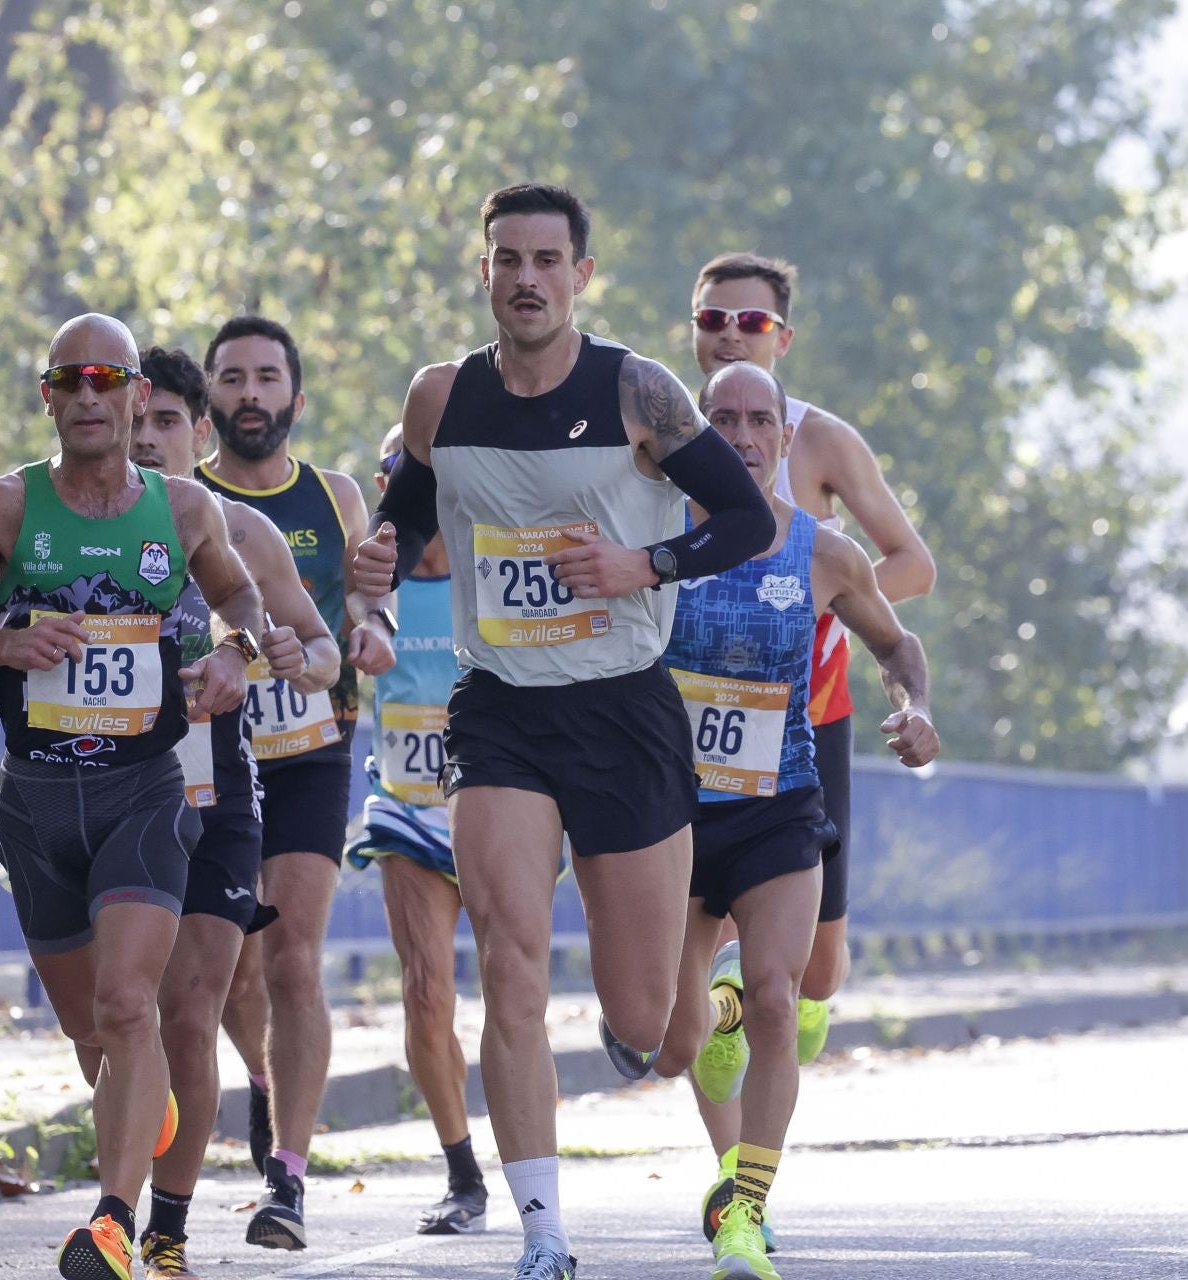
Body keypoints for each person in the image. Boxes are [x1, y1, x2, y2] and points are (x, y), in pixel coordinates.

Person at [353, 183, 776, 1280]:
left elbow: (748, 517)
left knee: (652, 1034)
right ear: (483, 271)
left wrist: (647, 562)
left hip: (625, 707)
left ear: (581, 274)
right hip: (501, 712)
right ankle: (544, 1231)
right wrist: (375, 574)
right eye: (508, 259)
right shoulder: (439, 398)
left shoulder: (637, 389)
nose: (527, 277)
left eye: (548, 258)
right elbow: (402, 519)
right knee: (511, 961)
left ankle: (708, 997)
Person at [0, 315, 264, 1280]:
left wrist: (236, 652)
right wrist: (2, 644)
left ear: (140, 394)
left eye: (110, 380)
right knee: (90, 1031)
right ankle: (141, 1102)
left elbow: (245, 602)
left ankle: (110, 1223)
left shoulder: (182, 512)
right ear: (48, 397)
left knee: (131, 1003)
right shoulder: (4, 508)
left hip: (146, 790)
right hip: (39, 804)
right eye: (71, 381)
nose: (91, 398)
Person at [0, 345, 342, 1279]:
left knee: (186, 1009)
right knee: (106, 1023)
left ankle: (153, 1226)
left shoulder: (233, 532)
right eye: (145, 419)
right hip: (91, 787)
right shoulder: (57, 519)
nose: (150, 434)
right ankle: (141, 1149)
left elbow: (320, 653)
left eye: (170, 420)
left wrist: (265, 658)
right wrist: (29, 676)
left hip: (210, 797)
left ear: (196, 432)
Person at [647, 361, 938, 1280]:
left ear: (782, 438)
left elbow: (897, 645)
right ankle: (713, 1008)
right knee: (669, 1041)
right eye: (719, 418)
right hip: (670, 811)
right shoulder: (652, 535)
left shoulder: (824, 553)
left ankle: (746, 1212)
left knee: (782, 996)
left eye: (757, 420)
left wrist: (916, 706)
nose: (738, 434)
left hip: (779, 804)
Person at [198, 315, 396, 1250]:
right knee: (234, 967)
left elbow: (368, 599)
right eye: (231, 378)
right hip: (209, 750)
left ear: (294, 399)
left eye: (266, 378)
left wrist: (372, 630)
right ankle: (269, 1085)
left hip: (313, 744)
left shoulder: (336, 495)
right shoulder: (178, 499)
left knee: (292, 956)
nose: (249, 394)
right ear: (208, 401)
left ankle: (289, 1178)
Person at [344, 423, 561, 1237]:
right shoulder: (370, 578)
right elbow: (352, 624)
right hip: (408, 803)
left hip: (503, 801)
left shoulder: (494, 563)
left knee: (513, 983)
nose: (406, 484)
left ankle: (533, 1159)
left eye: (420, 471)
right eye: (392, 470)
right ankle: (462, 1172)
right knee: (428, 991)